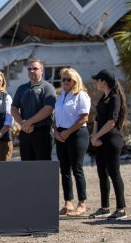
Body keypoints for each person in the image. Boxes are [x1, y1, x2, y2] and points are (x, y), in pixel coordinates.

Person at [89, 69, 127, 220]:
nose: (96, 83)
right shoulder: (102, 98)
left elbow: (111, 122)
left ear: (104, 81)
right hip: (100, 140)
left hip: (111, 140)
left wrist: (97, 135)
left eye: (97, 80)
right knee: (102, 174)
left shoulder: (114, 98)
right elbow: (98, 119)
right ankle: (105, 207)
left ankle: (121, 208)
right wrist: (94, 136)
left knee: (114, 174)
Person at [53, 68, 90, 216]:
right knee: (64, 169)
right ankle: (68, 201)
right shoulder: (61, 95)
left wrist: (68, 132)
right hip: (61, 134)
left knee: (77, 168)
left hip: (76, 134)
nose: (66, 82)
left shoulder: (81, 95)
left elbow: (84, 117)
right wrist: (56, 131)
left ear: (75, 80)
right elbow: (55, 117)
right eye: (63, 79)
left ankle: (82, 203)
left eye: (69, 79)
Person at [11, 58, 56, 161]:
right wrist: (23, 123)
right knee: (27, 168)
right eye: (29, 69)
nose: (31, 71)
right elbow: (13, 108)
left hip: (42, 132)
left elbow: (48, 108)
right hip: (25, 132)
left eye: (35, 68)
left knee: (42, 167)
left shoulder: (48, 87)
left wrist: (29, 122)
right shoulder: (22, 88)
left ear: (42, 70)